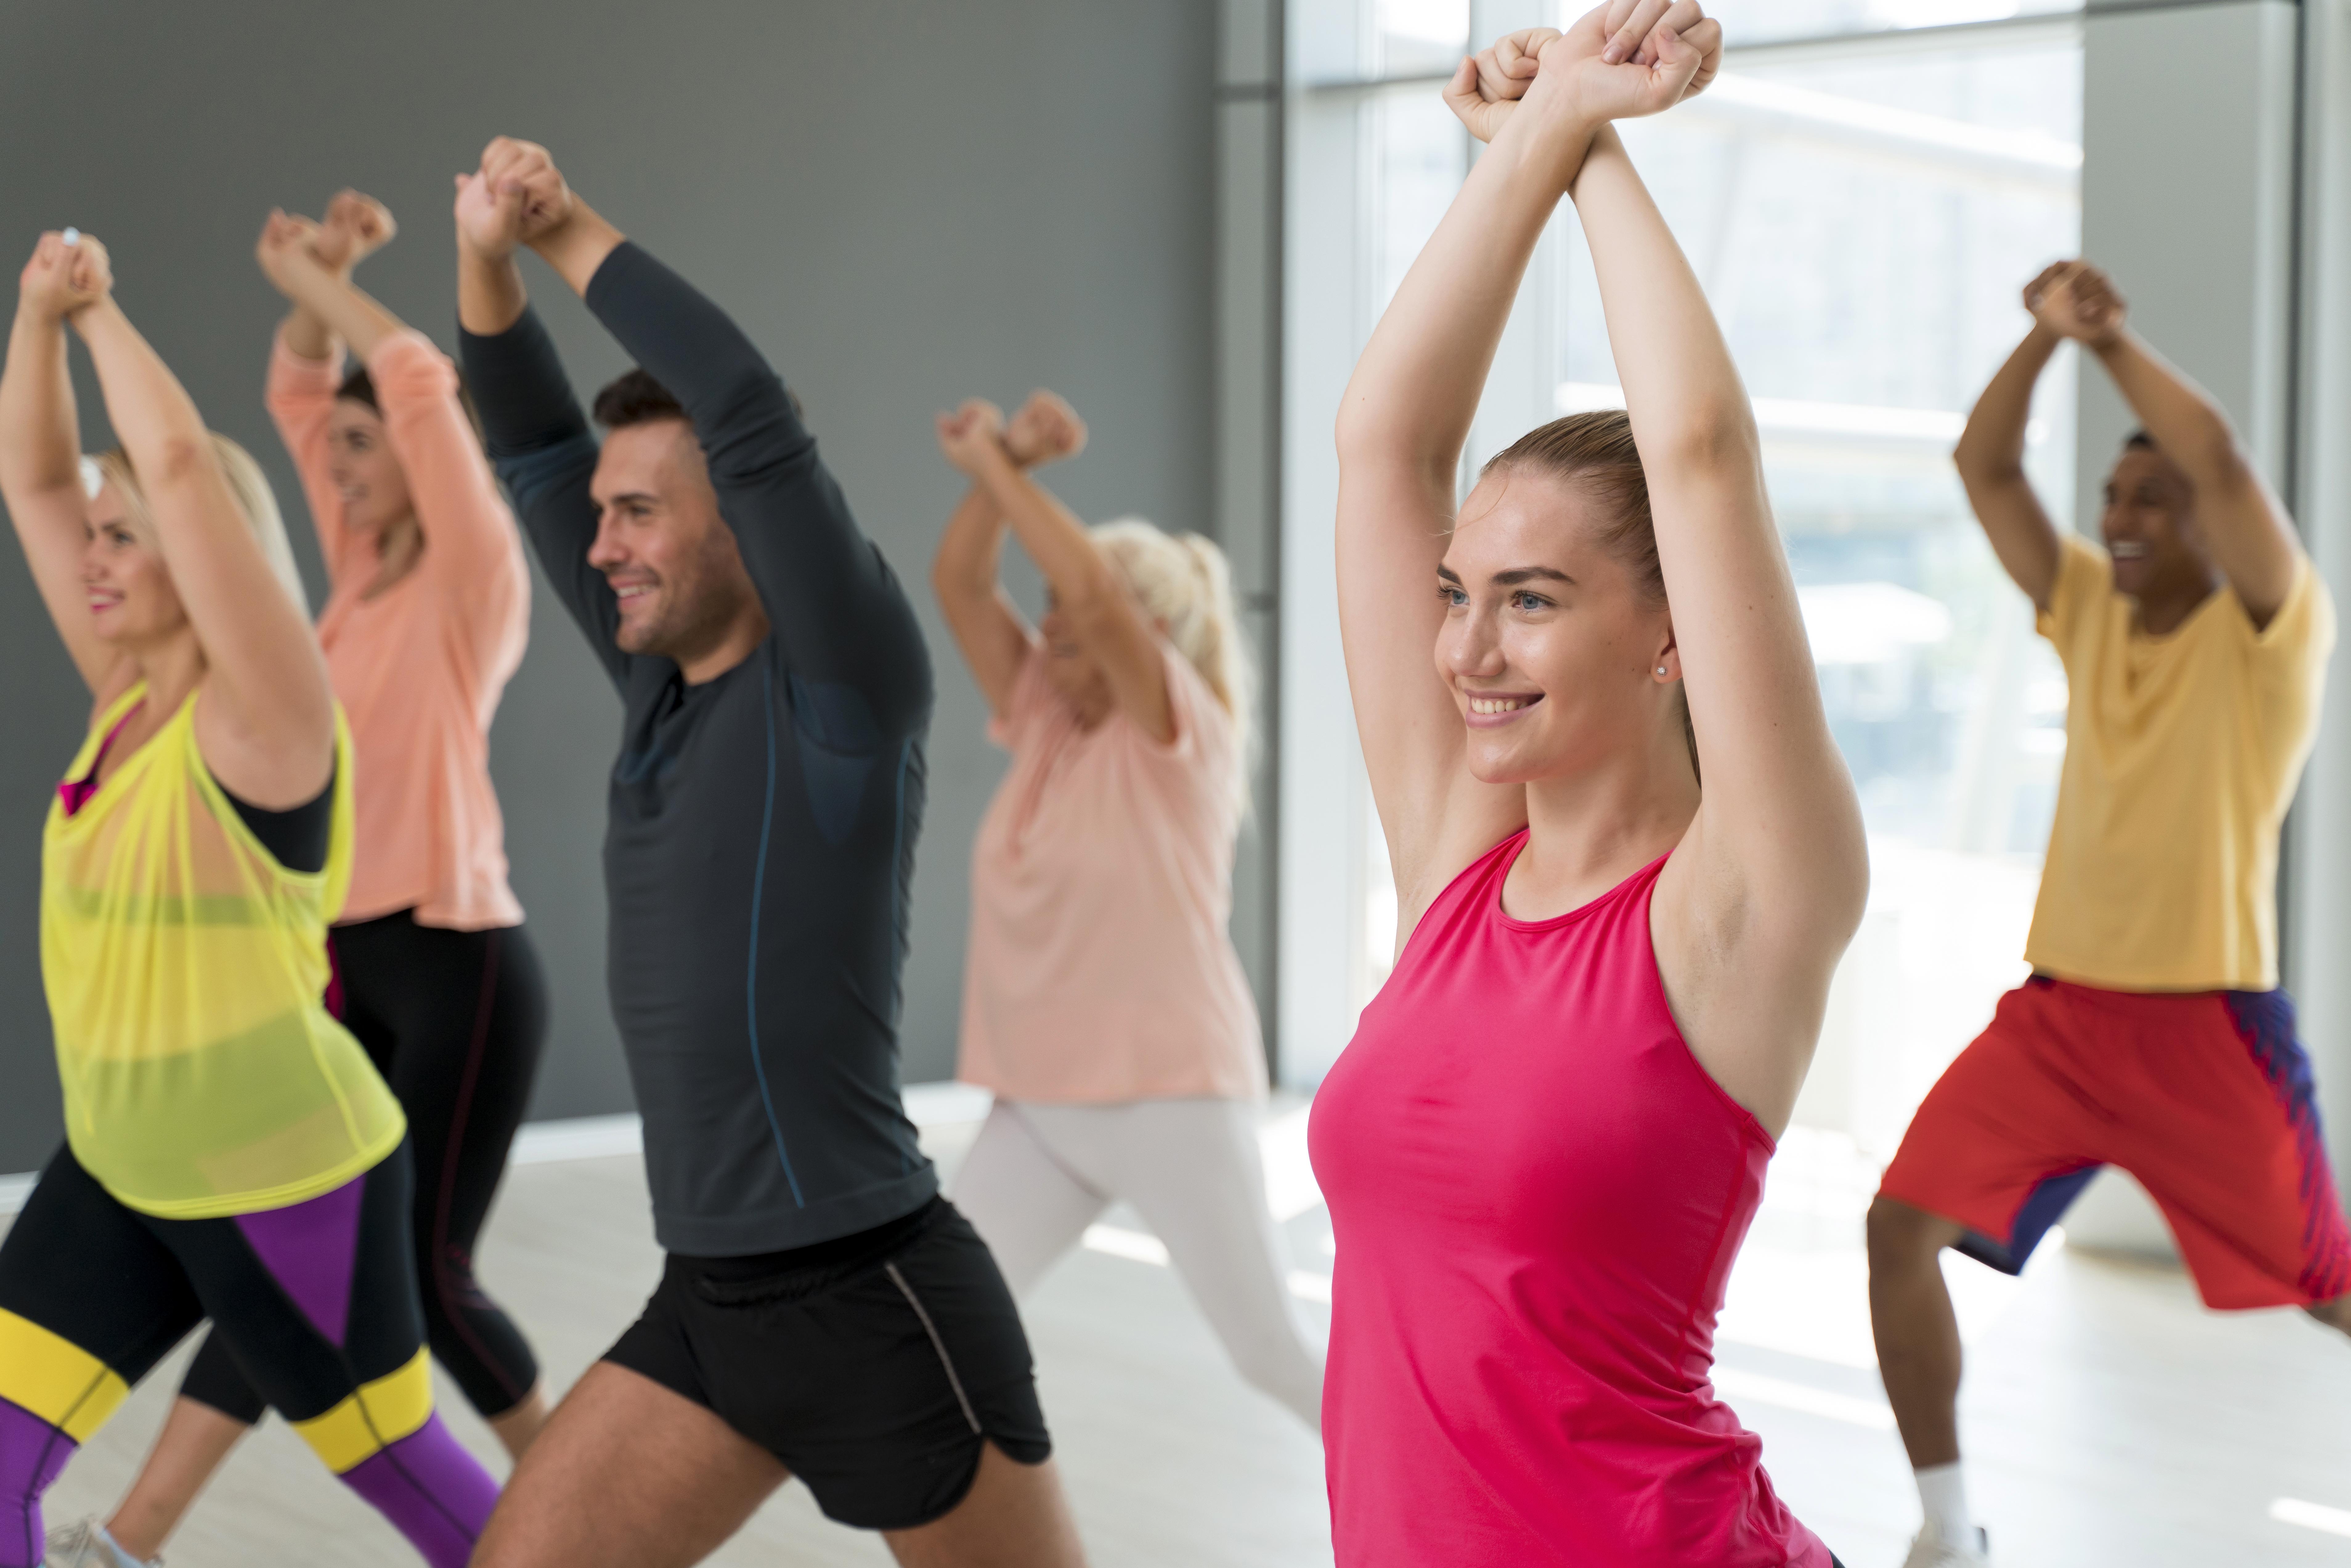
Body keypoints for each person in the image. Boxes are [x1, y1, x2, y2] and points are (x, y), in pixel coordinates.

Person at [448, 138, 1087, 1568]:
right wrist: (484, 252)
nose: (600, 542)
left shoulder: (845, 689)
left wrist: (563, 226)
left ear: (748, 523)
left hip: (877, 1297)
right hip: (712, 1307)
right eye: (600, 515)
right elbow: (530, 435)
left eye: (640, 512)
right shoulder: (656, 690)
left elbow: (738, 401)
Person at [1304, 5, 1869, 1565]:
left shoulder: (1746, 901)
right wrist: (1542, 128)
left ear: (1671, 633)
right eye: (1455, 589)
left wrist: (1592, 141)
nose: (1465, 648)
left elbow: (1697, 449)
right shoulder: (1459, 862)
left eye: (1534, 598)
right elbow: (1382, 445)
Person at [0, 230, 500, 1568]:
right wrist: (37, 319)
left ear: (205, 556)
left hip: (286, 1178)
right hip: (122, 1163)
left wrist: (102, 311)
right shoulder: (123, 702)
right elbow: (38, 475)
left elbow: (168, 460)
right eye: (90, 543)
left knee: (407, 1474)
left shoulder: (270, 722)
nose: (90, 558)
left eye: (126, 543)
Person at [1867, 260, 2340, 1568]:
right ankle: (1951, 1531)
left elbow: (2228, 460)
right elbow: (1986, 465)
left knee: (2334, 1297)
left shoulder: (2273, 635)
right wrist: (2039, 340)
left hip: (2210, 1031)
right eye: (2113, 499)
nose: (2122, 520)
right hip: (2061, 1017)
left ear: (2213, 526)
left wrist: (2113, 339)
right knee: (1897, 1230)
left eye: (2152, 499)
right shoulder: (2084, 609)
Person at [930, 390, 1324, 1432]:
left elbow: (1095, 596)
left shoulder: (1179, 733)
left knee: (1275, 1355)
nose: (1050, 619)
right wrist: (1001, 464)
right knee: (943, 1334)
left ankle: (1466, 1523)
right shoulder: (1046, 713)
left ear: (1151, 636)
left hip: (1168, 1099)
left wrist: (1005, 475)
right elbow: (962, 584)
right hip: (1043, 1100)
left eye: (1067, 604)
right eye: (1048, 606)